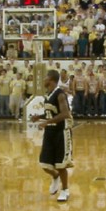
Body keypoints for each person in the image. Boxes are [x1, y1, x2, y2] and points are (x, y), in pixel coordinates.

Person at [30, 69, 73, 203]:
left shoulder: (60, 94)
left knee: (61, 165)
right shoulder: (48, 94)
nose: (43, 80)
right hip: (50, 131)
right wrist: (39, 117)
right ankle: (55, 177)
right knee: (44, 163)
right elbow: (51, 114)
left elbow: (65, 114)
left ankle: (65, 190)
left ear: (52, 80)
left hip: (61, 131)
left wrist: (47, 122)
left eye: (45, 78)